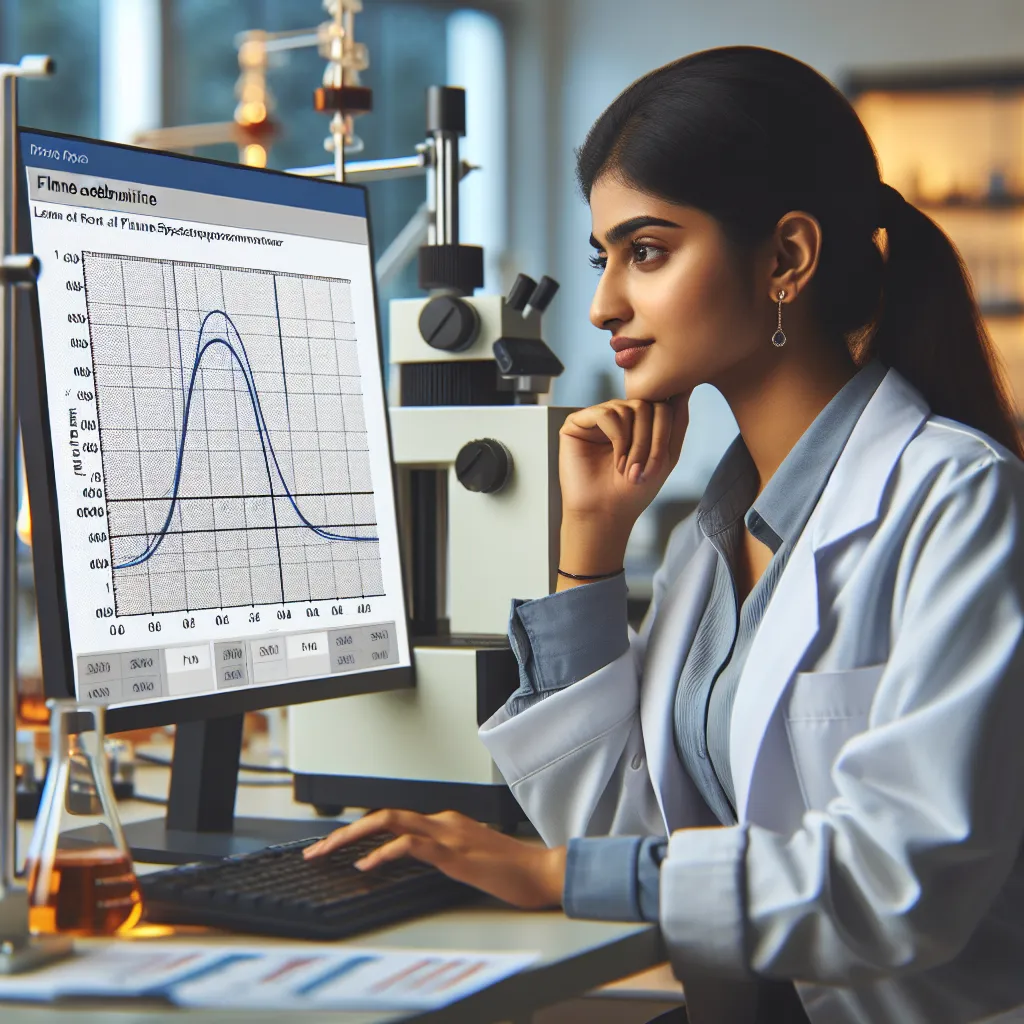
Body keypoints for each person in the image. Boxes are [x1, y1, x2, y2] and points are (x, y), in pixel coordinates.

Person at [305, 46, 1024, 1024]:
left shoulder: (955, 499)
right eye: (605, 256)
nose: (603, 304)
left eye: (645, 252)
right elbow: (627, 835)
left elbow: (895, 886)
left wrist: (554, 875)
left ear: (785, 259)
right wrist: (590, 547)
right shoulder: (710, 537)